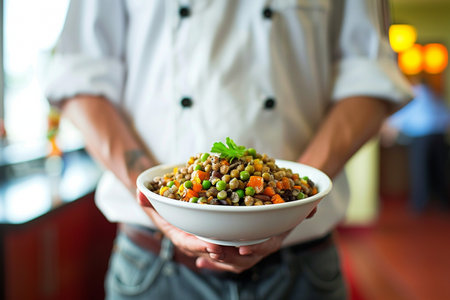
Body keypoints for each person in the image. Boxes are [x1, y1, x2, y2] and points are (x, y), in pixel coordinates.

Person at [44, 0, 412, 299]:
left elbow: (370, 77)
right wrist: (157, 201)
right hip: (154, 265)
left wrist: (291, 204)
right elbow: (81, 79)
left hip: (302, 266)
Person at [383, 76, 450, 213]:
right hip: (438, 135)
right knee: (439, 169)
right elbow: (444, 113)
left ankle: (419, 204)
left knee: (419, 170)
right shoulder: (430, 93)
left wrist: (389, 130)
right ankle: (441, 202)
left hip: (421, 136)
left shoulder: (412, 93)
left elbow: (401, 116)